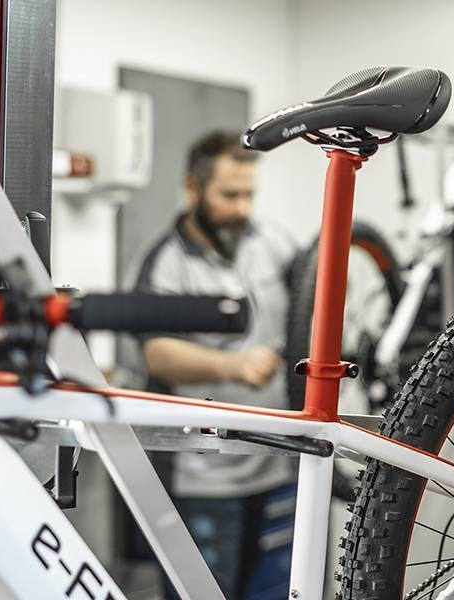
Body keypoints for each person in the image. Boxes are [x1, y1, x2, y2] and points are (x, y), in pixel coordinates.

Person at [127, 131, 300, 599]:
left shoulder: (273, 242)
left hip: (278, 465)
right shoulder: (165, 262)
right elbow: (156, 352)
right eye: (229, 195)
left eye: (249, 194)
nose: (243, 208)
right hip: (204, 478)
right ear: (192, 189)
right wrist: (233, 366)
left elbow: (311, 309)